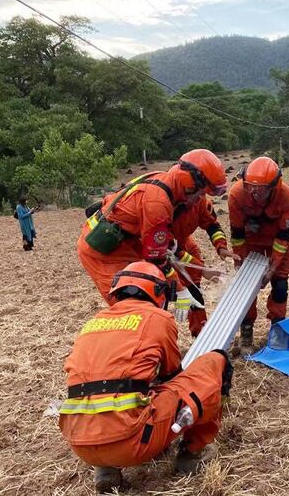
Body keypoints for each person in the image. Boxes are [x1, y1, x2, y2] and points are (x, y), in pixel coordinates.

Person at [58, 261, 232, 494]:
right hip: (130, 442)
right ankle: (192, 454)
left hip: (80, 443)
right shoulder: (157, 318)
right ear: (158, 293)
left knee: (106, 390)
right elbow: (172, 376)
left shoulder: (92, 323)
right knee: (212, 365)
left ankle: (106, 468)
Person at [76, 149, 227, 317]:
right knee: (131, 304)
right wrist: (180, 291)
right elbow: (156, 257)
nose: (201, 198)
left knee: (152, 297)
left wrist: (199, 269)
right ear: (189, 183)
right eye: (201, 192)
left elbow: (166, 246)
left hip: (130, 243)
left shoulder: (170, 188)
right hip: (105, 251)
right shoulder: (158, 203)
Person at [228, 156, 289, 355]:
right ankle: (246, 330)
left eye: (260, 188)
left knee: (280, 285)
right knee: (246, 287)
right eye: (249, 186)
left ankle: (277, 328)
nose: (253, 192)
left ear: (274, 186)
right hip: (251, 242)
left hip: (276, 240)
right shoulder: (236, 195)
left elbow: (284, 237)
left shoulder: (288, 197)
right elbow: (237, 234)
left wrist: (273, 267)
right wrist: (240, 263)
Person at [170, 186, 237, 337]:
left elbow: (212, 225)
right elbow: (170, 249)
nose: (199, 196)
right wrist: (203, 269)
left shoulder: (201, 201)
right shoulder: (164, 203)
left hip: (184, 243)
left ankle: (200, 333)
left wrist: (221, 247)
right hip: (162, 249)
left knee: (194, 288)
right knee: (168, 289)